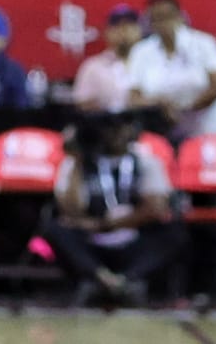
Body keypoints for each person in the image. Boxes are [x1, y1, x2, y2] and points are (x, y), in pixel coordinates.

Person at [39, 113, 181, 307]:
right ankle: (103, 279)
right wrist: (78, 160)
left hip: (131, 238)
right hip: (93, 243)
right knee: (55, 229)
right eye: (107, 128)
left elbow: (155, 209)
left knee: (174, 231)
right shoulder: (76, 163)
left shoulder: (146, 161)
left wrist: (106, 224)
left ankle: (125, 280)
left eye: (119, 127)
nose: (114, 134)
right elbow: (70, 211)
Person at [126, 0, 216, 139]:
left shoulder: (203, 43)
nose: (164, 23)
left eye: (168, 16)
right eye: (157, 18)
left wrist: (188, 108)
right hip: (167, 134)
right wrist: (159, 105)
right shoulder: (141, 52)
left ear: (180, 16)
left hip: (212, 129)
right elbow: (133, 98)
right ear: (150, 22)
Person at [74, 6, 142, 114]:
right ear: (106, 32)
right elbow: (82, 103)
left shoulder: (150, 63)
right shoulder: (93, 66)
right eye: (117, 25)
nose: (124, 30)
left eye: (130, 25)